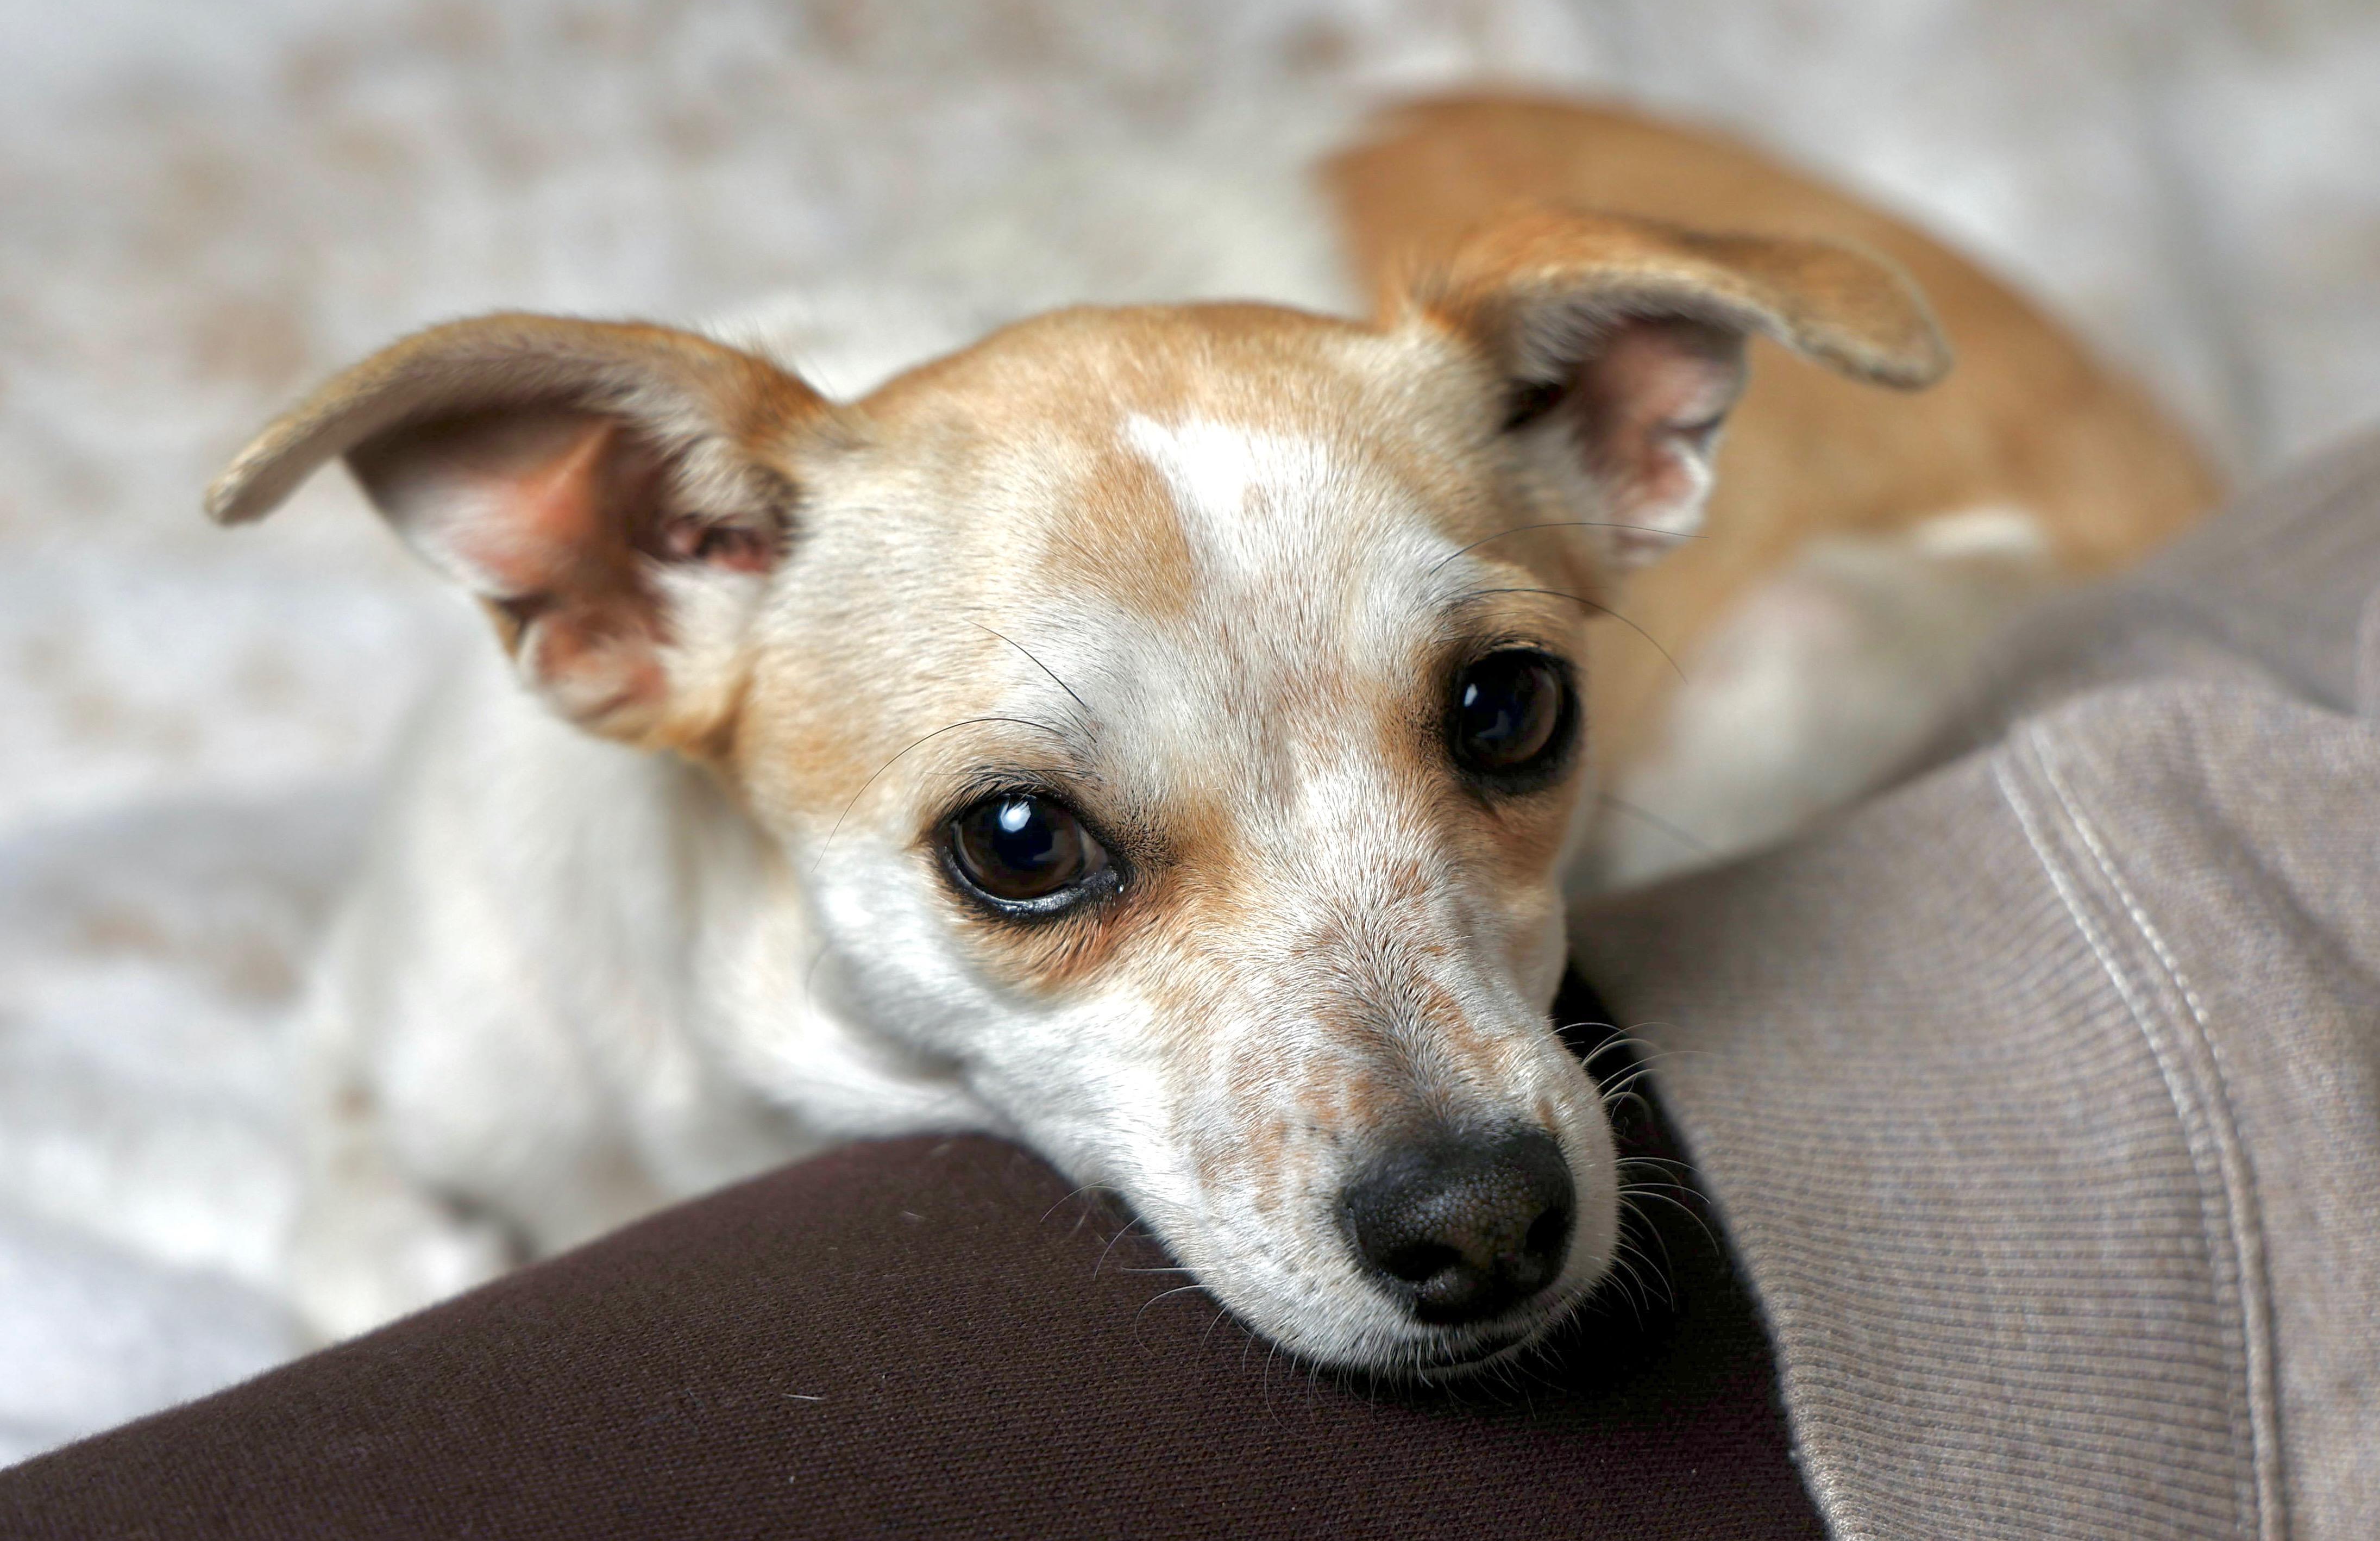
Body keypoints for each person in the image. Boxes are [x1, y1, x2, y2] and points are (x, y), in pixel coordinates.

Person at [5, 438, 2375, 1540]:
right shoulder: (502, 950)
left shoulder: (1435, 480)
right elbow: (368, 1119)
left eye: (1492, 724)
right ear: (616, 602)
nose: (1465, 1153)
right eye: (1037, 849)